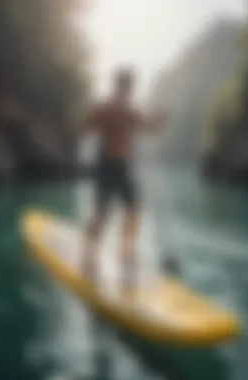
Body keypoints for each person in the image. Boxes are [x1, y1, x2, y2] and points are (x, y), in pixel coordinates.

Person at [80, 67, 167, 292]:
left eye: (131, 86)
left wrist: (159, 120)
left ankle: (126, 250)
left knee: (134, 209)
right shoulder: (106, 107)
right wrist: (95, 123)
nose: (129, 89)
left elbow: (148, 128)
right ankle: (89, 253)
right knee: (102, 213)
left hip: (123, 167)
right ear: (119, 86)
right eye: (127, 85)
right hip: (105, 165)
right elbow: (87, 125)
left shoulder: (131, 111)